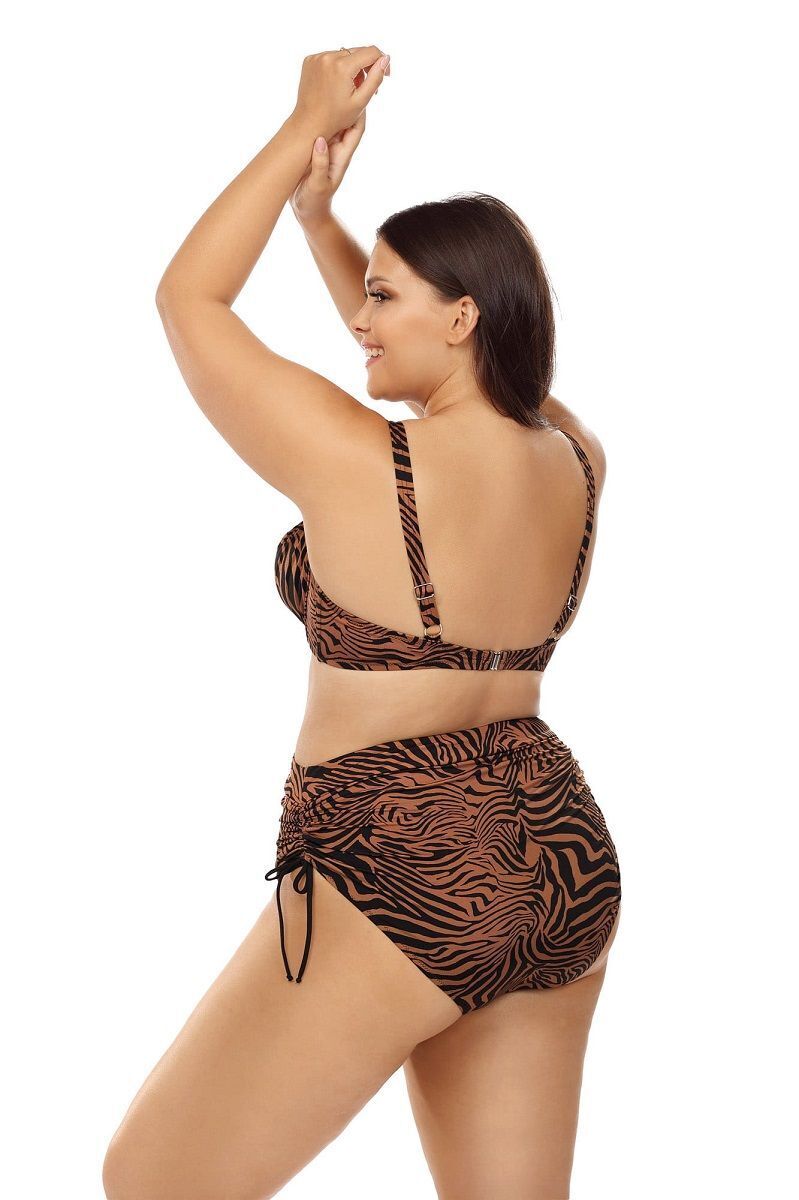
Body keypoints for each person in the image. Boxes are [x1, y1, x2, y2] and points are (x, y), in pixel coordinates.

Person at [103, 46, 622, 1200]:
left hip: (402, 855)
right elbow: (464, 368)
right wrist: (320, 221)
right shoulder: (574, 456)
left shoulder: (360, 463)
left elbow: (189, 299)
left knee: (153, 1180)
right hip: (556, 851)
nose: (358, 321)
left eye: (383, 298)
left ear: (463, 315)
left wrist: (302, 125)